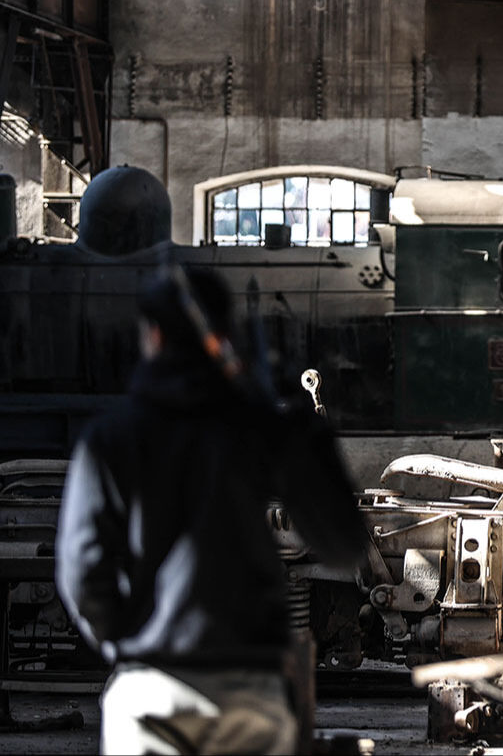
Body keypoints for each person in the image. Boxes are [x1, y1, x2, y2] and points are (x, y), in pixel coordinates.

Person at [55, 265, 368, 755]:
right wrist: (306, 433)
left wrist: (131, 646)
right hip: (250, 691)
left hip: (150, 691)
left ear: (152, 335)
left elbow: (81, 572)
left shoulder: (107, 439)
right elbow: (344, 544)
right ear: (226, 336)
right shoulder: (261, 429)